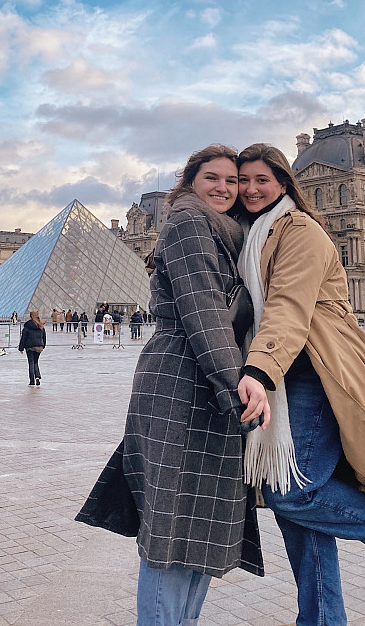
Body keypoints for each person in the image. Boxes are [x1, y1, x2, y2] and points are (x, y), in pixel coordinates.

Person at [235, 144, 365, 626]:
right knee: (297, 512)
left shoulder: (301, 231)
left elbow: (287, 306)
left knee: (292, 494)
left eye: (261, 179)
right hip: (283, 372)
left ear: (285, 183)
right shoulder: (252, 234)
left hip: (316, 372)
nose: (249, 189)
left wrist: (260, 370)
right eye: (243, 180)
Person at [77, 145, 263, 626]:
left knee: (204, 529)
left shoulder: (230, 233)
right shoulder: (186, 223)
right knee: (172, 525)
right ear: (190, 183)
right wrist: (235, 388)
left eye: (233, 180)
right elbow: (203, 310)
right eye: (213, 178)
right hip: (184, 381)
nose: (225, 187)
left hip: (209, 379)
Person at [18, 310, 47, 385]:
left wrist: (21, 348)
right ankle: (37, 376)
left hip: (30, 347)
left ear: (30, 316)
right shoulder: (41, 326)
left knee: (31, 363)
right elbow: (44, 336)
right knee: (36, 362)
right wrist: (43, 345)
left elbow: (23, 338)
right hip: (39, 347)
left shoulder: (27, 326)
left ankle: (32, 381)